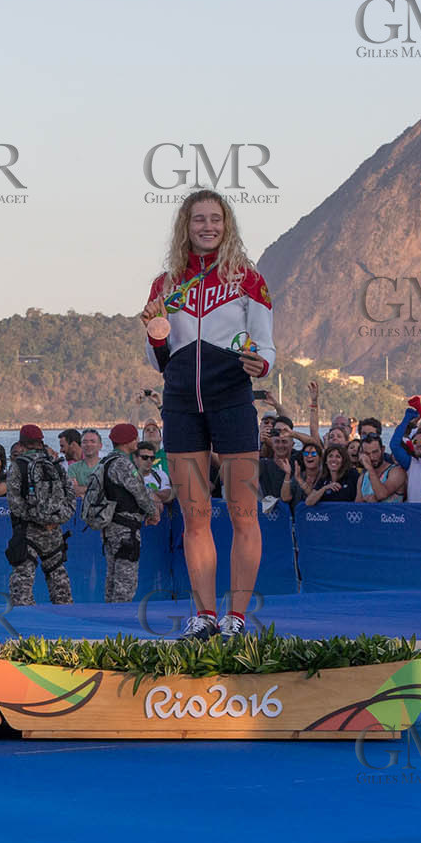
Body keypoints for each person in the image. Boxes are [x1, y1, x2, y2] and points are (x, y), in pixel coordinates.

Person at [138, 189, 273, 640]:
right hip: (180, 404)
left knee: (243, 513)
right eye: (199, 220)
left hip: (232, 402)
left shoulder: (248, 280)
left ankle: (236, 617)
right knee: (195, 516)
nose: (208, 226)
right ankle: (204, 616)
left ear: (227, 224)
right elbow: (158, 355)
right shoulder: (165, 284)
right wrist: (155, 335)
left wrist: (262, 364)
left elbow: (265, 344)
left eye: (216, 219)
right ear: (186, 225)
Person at [5, 425, 74, 606]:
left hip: (29, 532)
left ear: (21, 444)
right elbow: (70, 494)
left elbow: (14, 502)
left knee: (23, 581)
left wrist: (35, 517)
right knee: (58, 578)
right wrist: (56, 519)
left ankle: (25, 624)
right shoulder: (55, 463)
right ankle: (68, 619)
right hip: (54, 531)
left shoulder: (18, 465)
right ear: (41, 441)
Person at [96, 423, 162, 602]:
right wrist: (153, 512)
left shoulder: (105, 462)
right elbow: (139, 492)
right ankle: (119, 621)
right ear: (128, 442)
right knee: (125, 582)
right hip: (125, 530)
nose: (137, 441)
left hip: (110, 527)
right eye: (135, 438)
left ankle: (109, 617)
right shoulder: (124, 464)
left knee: (111, 578)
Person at [355, 433, 405, 502]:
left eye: (375, 452)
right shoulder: (362, 478)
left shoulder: (396, 471)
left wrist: (370, 468)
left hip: (390, 513)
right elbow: (357, 507)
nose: (372, 457)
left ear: (383, 449)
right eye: (367, 453)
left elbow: (381, 494)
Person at [67, 430, 104, 496]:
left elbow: (108, 492)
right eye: (85, 442)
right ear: (81, 445)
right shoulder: (73, 468)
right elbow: (73, 491)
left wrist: (82, 490)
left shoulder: (106, 466)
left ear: (100, 446)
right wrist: (98, 489)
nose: (88, 445)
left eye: (92, 441)